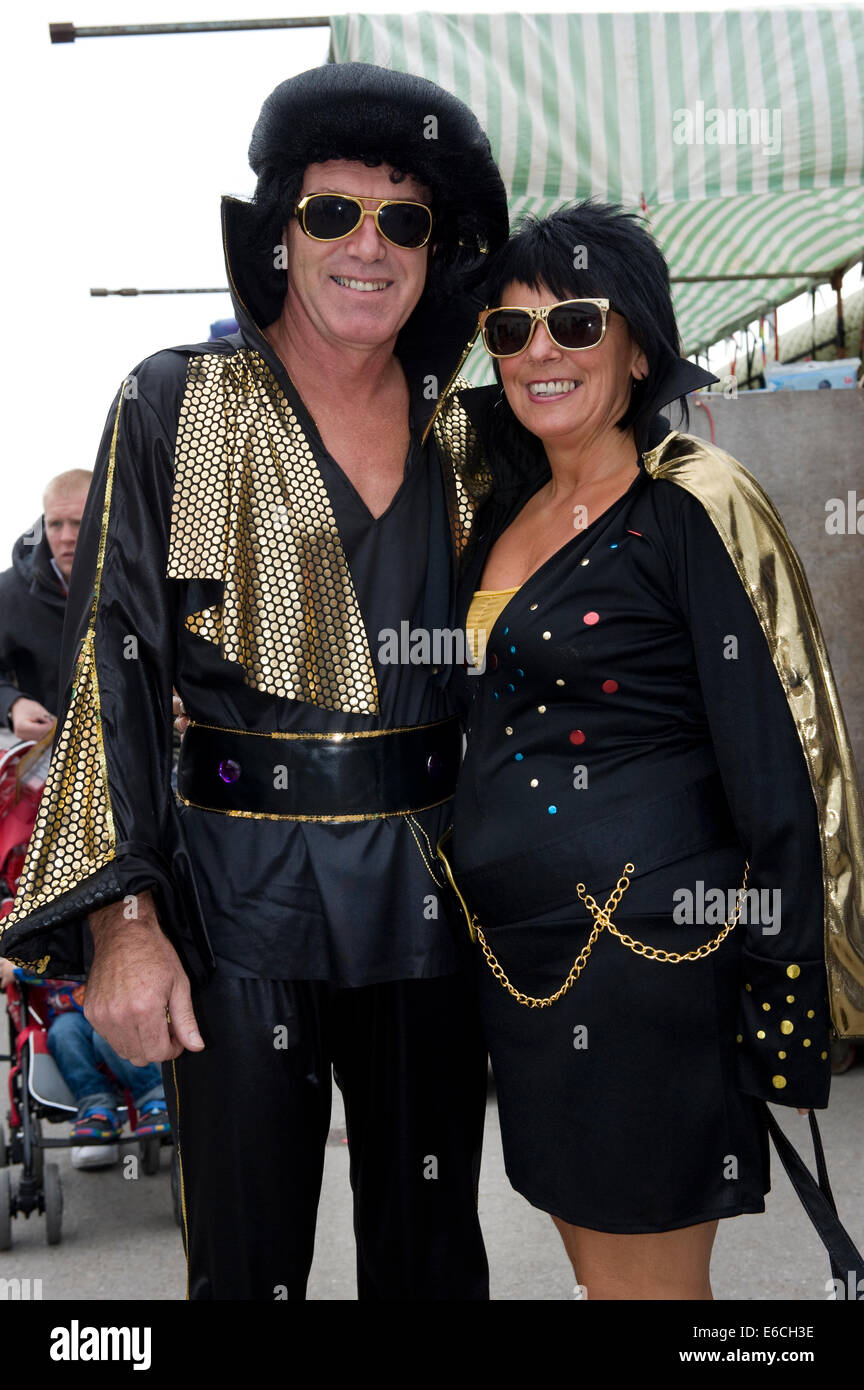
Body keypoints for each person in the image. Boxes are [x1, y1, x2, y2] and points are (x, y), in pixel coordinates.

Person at [0, 62, 508, 1300]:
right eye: (333, 212)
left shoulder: (475, 434)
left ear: (437, 250)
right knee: (246, 1267)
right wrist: (125, 924)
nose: (368, 246)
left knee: (433, 1264)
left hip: (433, 894)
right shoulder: (177, 402)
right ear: (278, 232)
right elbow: (111, 664)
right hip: (236, 901)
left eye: (405, 220)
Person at [437, 203, 864, 1300]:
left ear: (637, 348)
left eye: (575, 322)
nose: (541, 351)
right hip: (522, 971)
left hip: (651, 965)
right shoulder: (504, 520)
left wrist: (786, 996)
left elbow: (780, 764)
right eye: (512, 328)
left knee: (652, 1297)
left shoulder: (686, 505)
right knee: (599, 1280)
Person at [0, 957, 169, 1168]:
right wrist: (16, 966)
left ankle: (153, 1098)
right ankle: (95, 1107)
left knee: (109, 1035)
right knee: (62, 1035)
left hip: (111, 1007)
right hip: (68, 1016)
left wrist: (19, 970)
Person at [0, 470, 92, 742]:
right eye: (55, 524)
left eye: (78, 523)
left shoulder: (139, 584)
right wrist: (12, 704)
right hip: (49, 757)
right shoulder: (10, 591)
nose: (66, 537)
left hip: (135, 758)